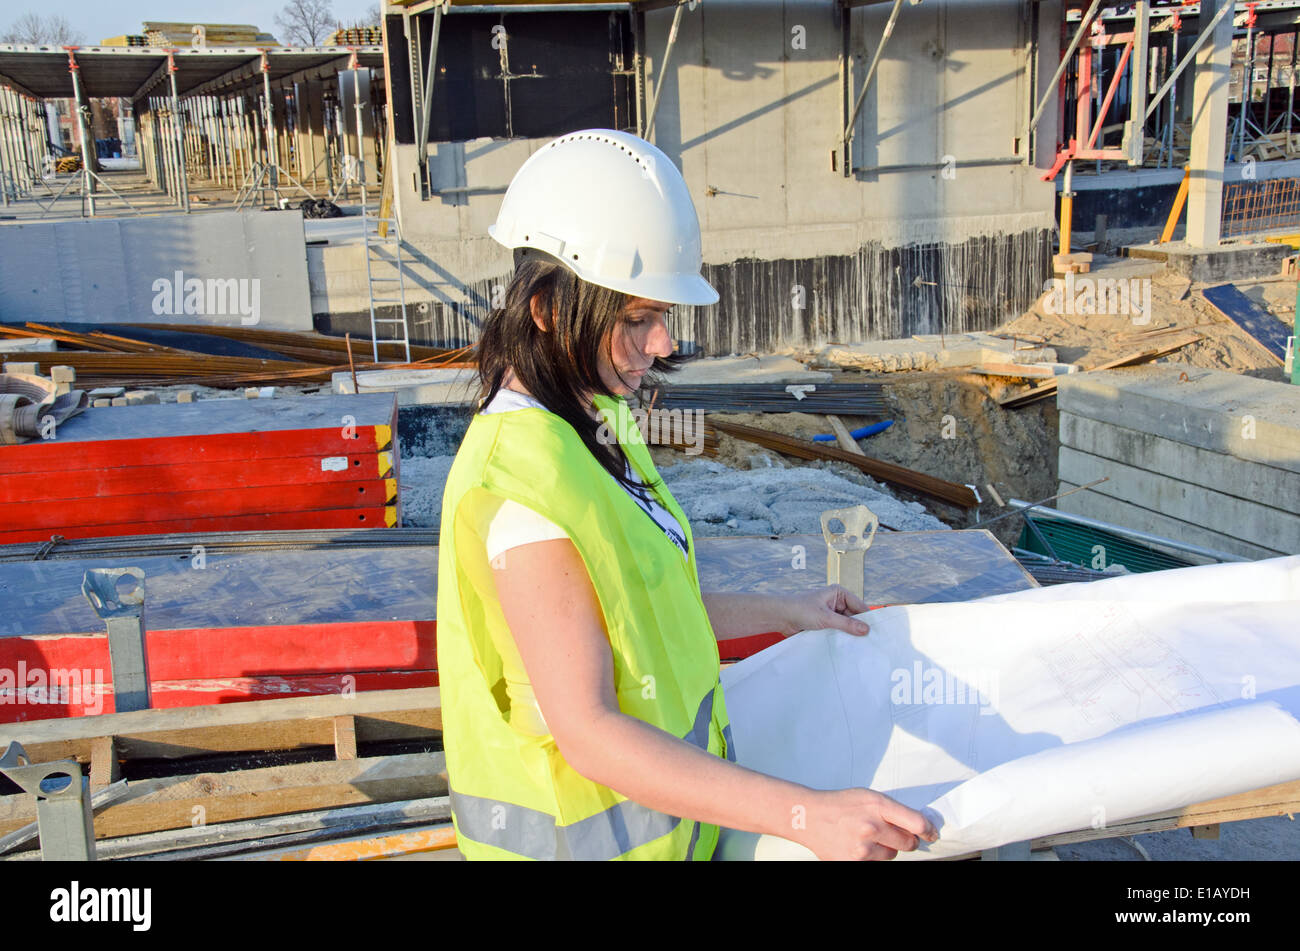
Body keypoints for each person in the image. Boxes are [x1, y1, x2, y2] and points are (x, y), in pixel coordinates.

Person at [436, 129, 937, 861]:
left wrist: (788, 611)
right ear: (546, 307)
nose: (665, 342)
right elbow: (589, 730)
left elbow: (644, 614)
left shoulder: (589, 426)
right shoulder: (521, 487)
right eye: (636, 318)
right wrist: (806, 815)